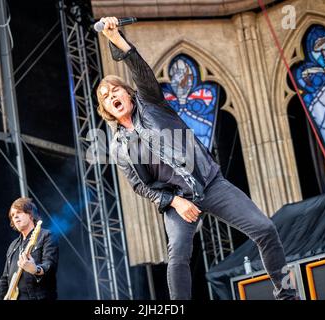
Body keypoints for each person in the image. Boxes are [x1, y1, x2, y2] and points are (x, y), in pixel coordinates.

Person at [97, 17, 298, 300]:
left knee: (265, 229)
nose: (112, 95)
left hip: (210, 182)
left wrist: (116, 37)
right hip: (177, 200)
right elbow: (141, 186)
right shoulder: (119, 148)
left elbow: (140, 70)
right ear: (105, 110)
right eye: (105, 97)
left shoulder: (151, 103)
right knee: (178, 257)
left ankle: (288, 295)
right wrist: (174, 201)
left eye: (115, 89)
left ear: (128, 94)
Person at [0, 197, 59, 300]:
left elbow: (50, 265)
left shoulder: (46, 236)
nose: (15, 217)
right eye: (13, 215)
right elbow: (5, 279)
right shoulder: (13, 246)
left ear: (30, 215)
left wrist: (36, 269)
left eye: (19, 212)